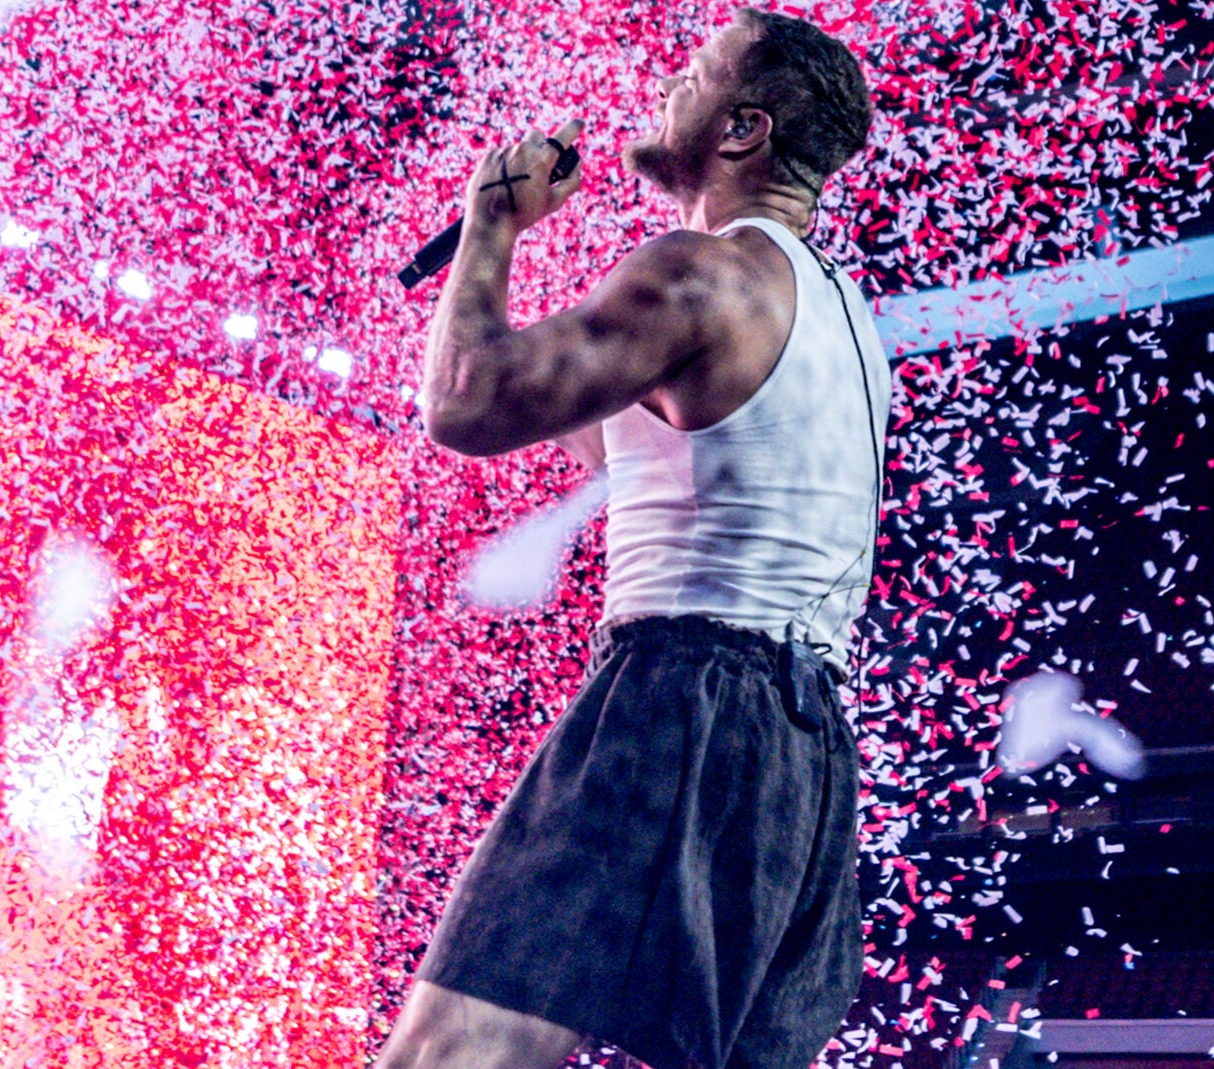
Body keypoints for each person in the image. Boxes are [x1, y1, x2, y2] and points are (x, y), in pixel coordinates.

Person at [375, 10, 888, 1069]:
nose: (668, 87)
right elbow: (625, 453)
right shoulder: (843, 317)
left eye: (695, 74)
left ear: (743, 128)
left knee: (450, 1053)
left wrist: (490, 227)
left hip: (682, 694)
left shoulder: (700, 273)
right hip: (803, 753)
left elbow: (464, 404)